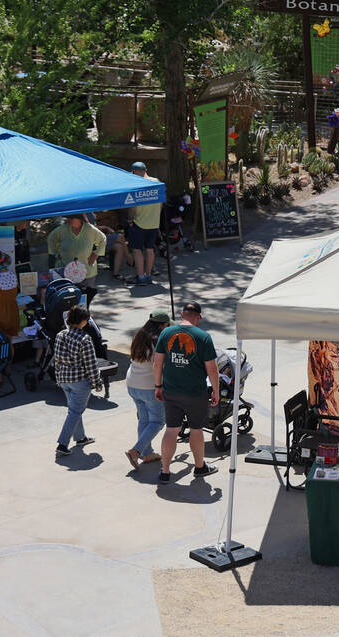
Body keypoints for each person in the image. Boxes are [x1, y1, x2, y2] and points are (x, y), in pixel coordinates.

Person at [153, 302, 220, 484]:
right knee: (196, 429)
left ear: (182, 314)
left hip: (171, 391)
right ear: (198, 317)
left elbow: (157, 363)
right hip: (195, 393)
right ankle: (199, 467)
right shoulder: (203, 337)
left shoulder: (166, 333)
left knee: (172, 429)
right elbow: (212, 369)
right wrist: (216, 390)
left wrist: (158, 386)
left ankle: (165, 471)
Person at [52, 305, 103, 456]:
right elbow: (91, 364)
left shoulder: (60, 335)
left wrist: (58, 379)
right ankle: (62, 444)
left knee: (74, 410)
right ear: (83, 321)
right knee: (75, 412)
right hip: (80, 381)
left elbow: (57, 360)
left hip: (64, 379)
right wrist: (97, 383)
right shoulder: (85, 339)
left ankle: (80, 438)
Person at [124, 311, 171, 469]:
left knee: (144, 419)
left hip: (132, 383)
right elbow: (160, 365)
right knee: (158, 421)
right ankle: (136, 451)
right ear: (162, 325)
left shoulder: (139, 336)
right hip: (149, 386)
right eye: (167, 325)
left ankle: (147, 453)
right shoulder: (159, 340)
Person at [47, 213, 107, 296]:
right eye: (68, 218)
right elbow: (51, 239)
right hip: (67, 270)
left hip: (87, 270)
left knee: (88, 295)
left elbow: (103, 239)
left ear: (79, 219)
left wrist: (96, 254)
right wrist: (56, 253)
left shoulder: (90, 229)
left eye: (71, 218)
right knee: (69, 297)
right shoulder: (62, 230)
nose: (69, 220)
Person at [127, 161, 162, 286]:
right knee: (150, 249)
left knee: (137, 250)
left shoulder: (136, 184)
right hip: (154, 223)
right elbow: (161, 202)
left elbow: (133, 207)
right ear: (146, 169)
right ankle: (148, 276)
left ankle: (141, 277)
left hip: (139, 223)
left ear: (133, 172)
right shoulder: (157, 182)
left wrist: (130, 219)